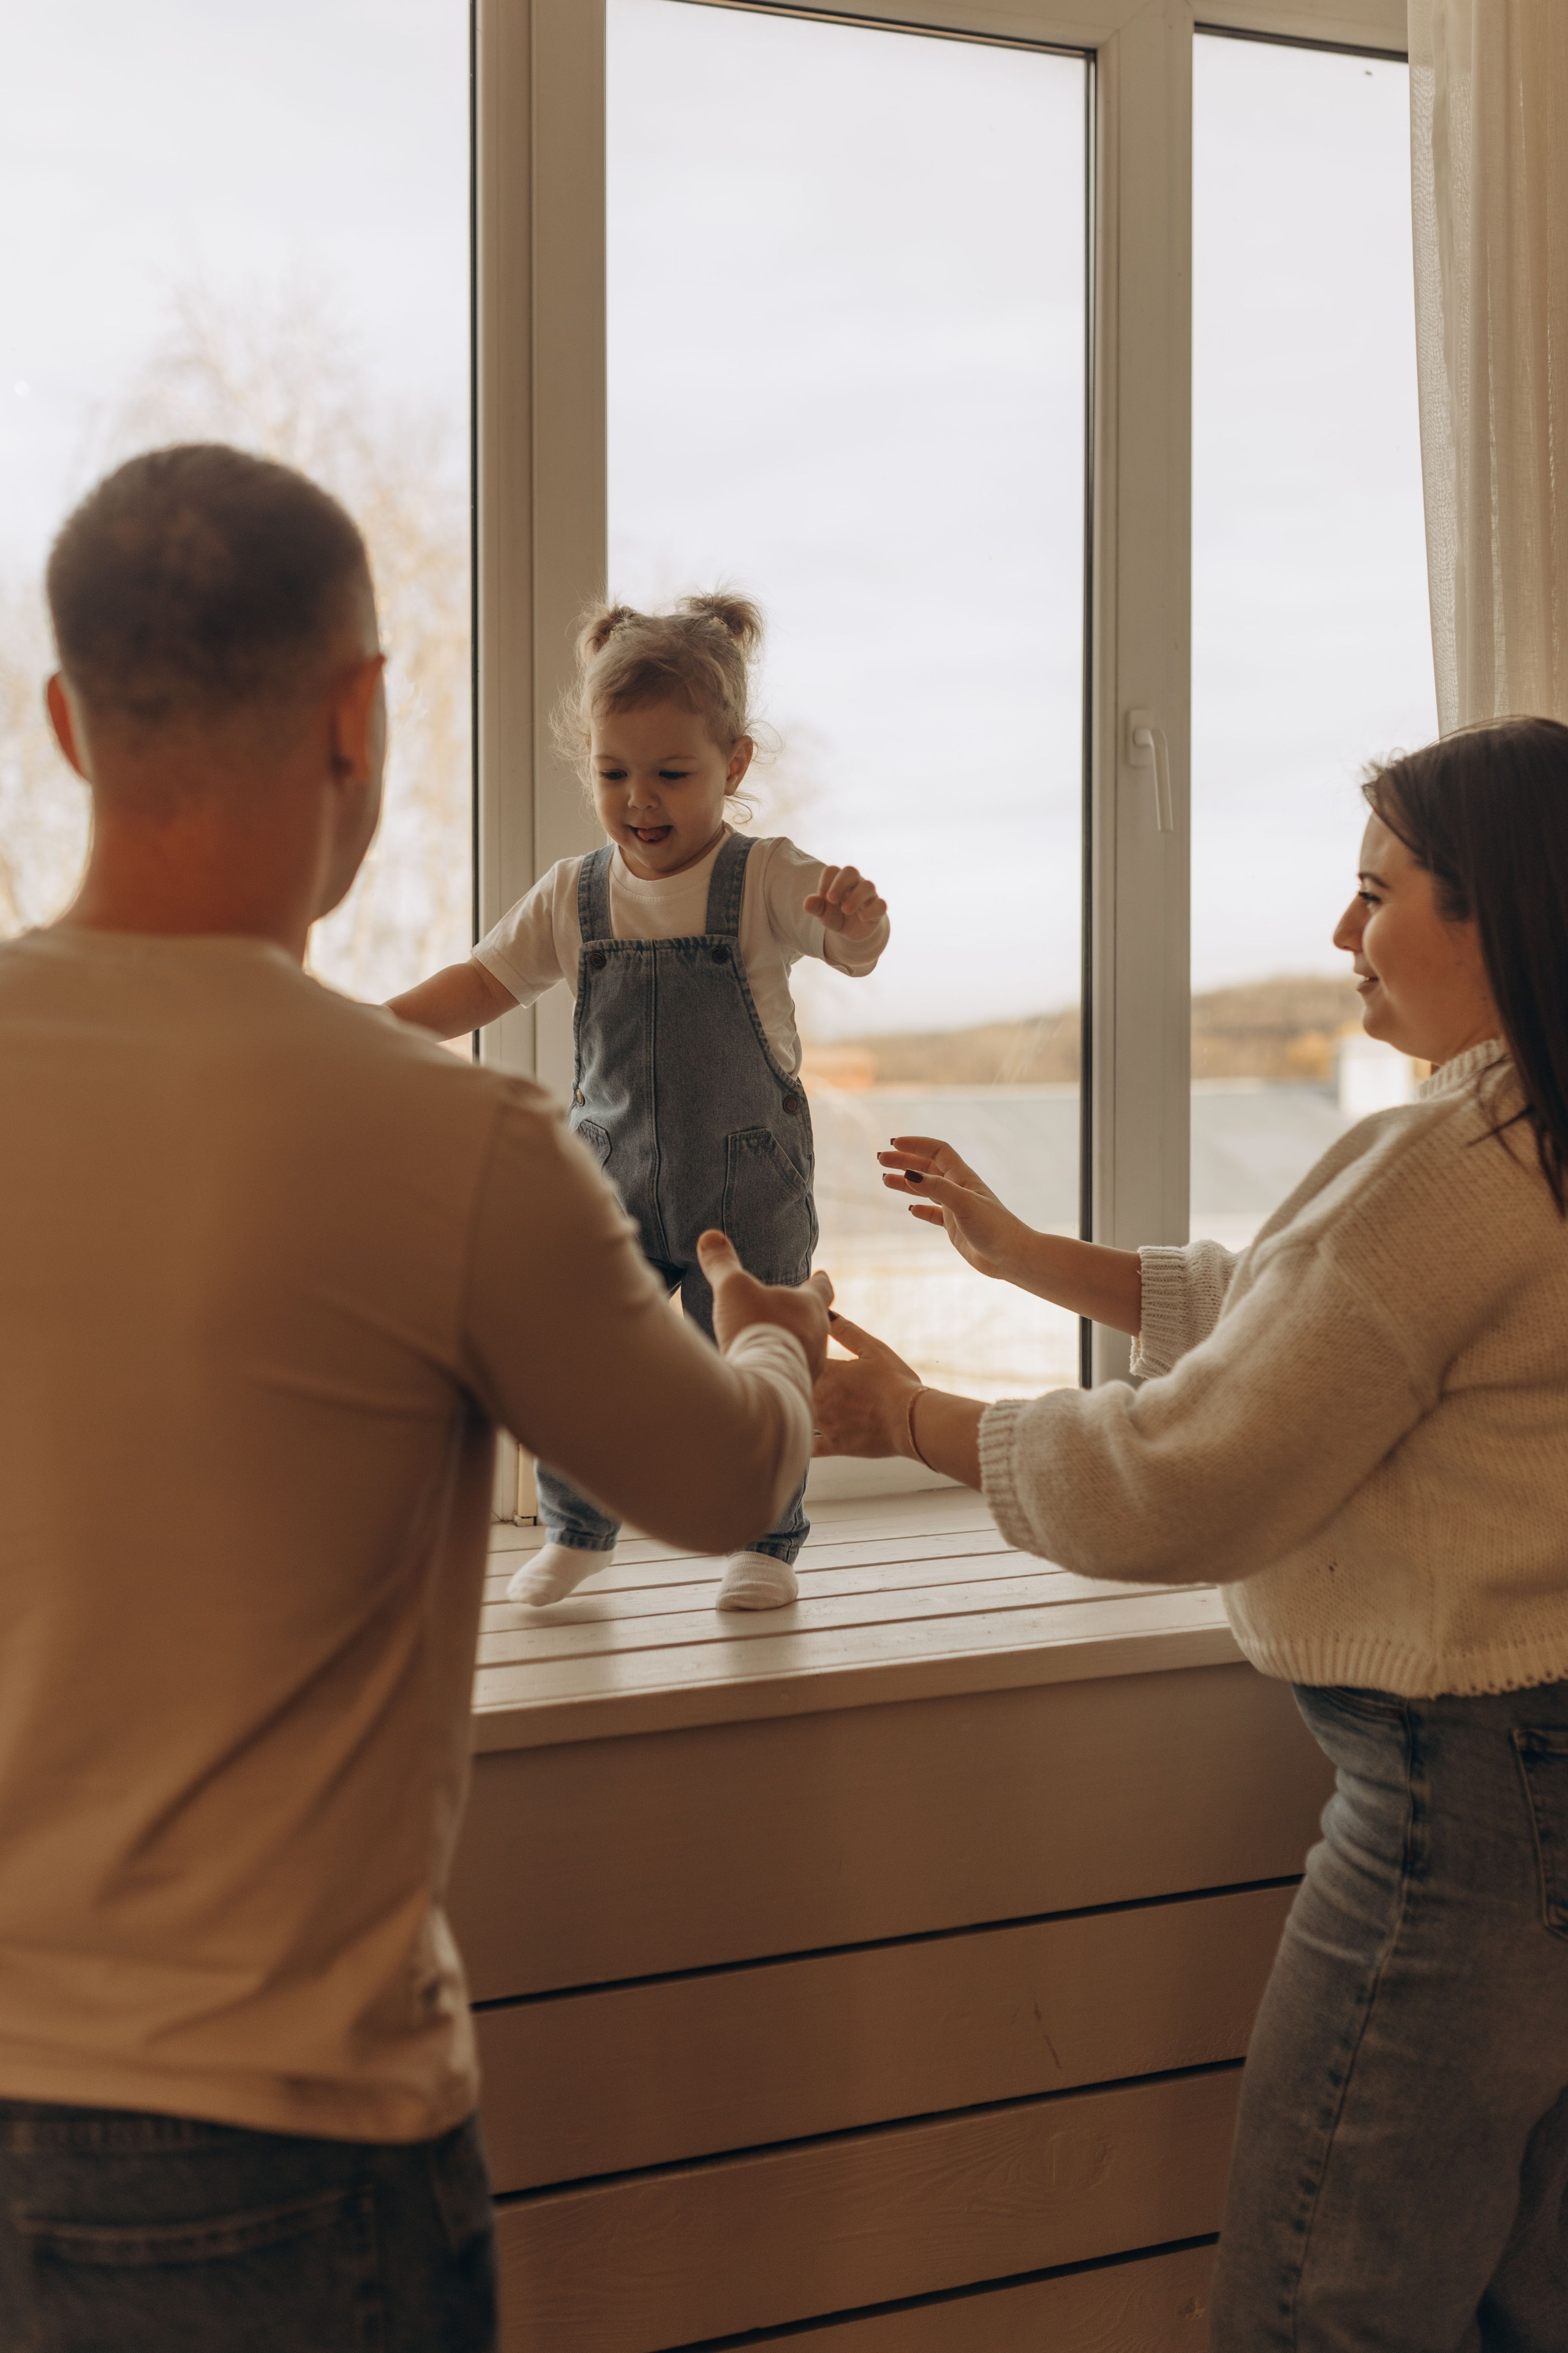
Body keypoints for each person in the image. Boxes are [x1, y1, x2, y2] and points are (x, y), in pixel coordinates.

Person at [0, 444, 830, 2353]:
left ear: (64, 723)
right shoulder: (445, 1144)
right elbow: (727, 1485)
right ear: (359, 715)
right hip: (282, 2152)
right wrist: (774, 1330)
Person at [813, 716, 1568, 2351]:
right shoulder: (1536, 1149)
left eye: (1378, 893)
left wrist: (908, 1419)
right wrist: (1029, 1255)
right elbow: (1311, 1316)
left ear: (1496, 913)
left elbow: (1184, 1474)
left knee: (1323, 2316)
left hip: (1468, 1823)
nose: (1340, 930)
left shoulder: (1452, 1167)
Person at [388, 594, 888, 1614]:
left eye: (671, 774)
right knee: (576, 1351)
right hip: (608, 1175)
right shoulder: (574, 893)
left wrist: (859, 923)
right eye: (615, 774)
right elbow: (481, 982)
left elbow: (853, 950)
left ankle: (766, 1539)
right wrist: (377, 1025)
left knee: (757, 1353)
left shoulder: (764, 877)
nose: (640, 800)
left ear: (734, 766)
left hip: (746, 1188)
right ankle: (579, 1529)